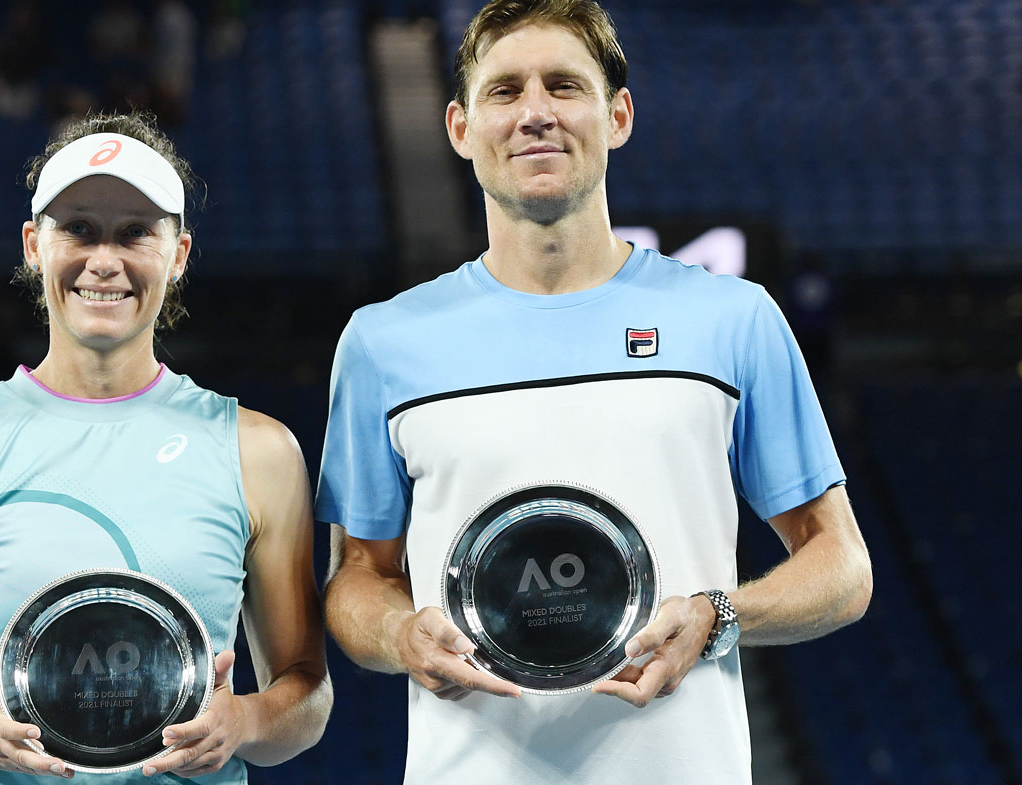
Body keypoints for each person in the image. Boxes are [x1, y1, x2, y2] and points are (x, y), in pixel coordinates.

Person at [316, 2, 872, 783]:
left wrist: (721, 615)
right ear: (459, 128)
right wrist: (401, 633)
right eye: (504, 91)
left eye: (564, 86)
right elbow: (354, 580)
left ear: (618, 115)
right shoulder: (383, 342)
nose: (536, 112)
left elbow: (842, 565)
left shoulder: (732, 318)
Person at [0, 110, 332, 784]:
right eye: (78, 228)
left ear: (180, 253)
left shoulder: (258, 450)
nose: (104, 260)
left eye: (135, 232)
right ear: (33, 244)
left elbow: (307, 690)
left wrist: (246, 721)